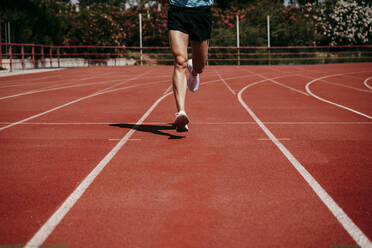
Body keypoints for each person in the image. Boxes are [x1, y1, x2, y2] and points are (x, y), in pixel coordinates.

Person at [168, 0, 214, 132]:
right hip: (177, 10)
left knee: (200, 66)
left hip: (201, 11)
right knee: (180, 61)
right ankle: (181, 112)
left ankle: (194, 72)